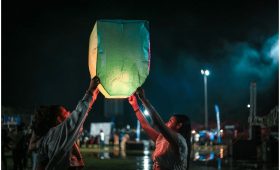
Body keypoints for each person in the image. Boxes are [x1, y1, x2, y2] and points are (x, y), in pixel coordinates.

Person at [29, 76, 100, 170]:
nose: (69, 113)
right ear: (58, 119)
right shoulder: (57, 134)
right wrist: (90, 91)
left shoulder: (49, 138)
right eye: (66, 112)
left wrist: (92, 99)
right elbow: (77, 116)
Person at [128, 87, 191, 170]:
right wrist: (135, 106)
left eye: (170, 121)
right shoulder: (162, 139)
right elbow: (146, 126)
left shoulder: (179, 141)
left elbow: (158, 123)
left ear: (178, 125)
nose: (166, 123)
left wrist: (143, 99)